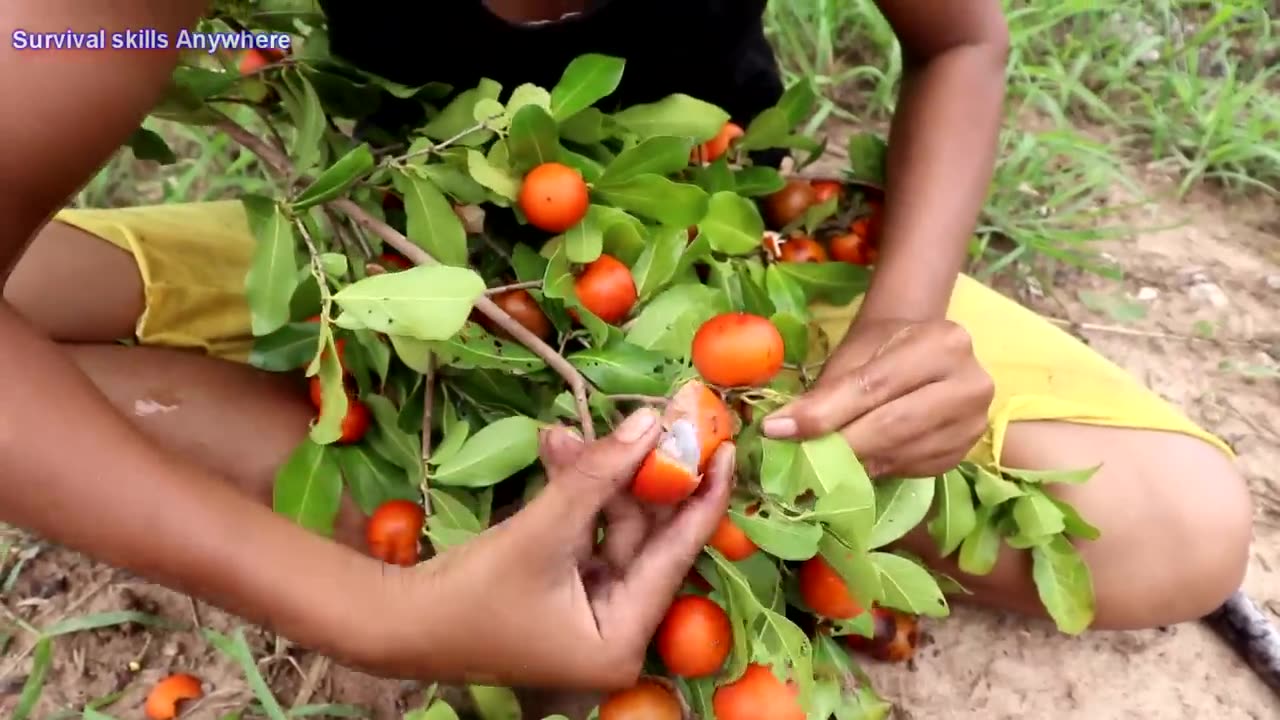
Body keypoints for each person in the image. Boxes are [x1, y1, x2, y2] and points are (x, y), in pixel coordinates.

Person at [0, 0, 1252, 701]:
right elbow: (58, 43)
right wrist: (371, 616)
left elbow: (962, 38)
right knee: (38, 293)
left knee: (1178, 525)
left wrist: (900, 322)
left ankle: (464, 504)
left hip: (710, 240)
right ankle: (461, 526)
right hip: (370, 246)